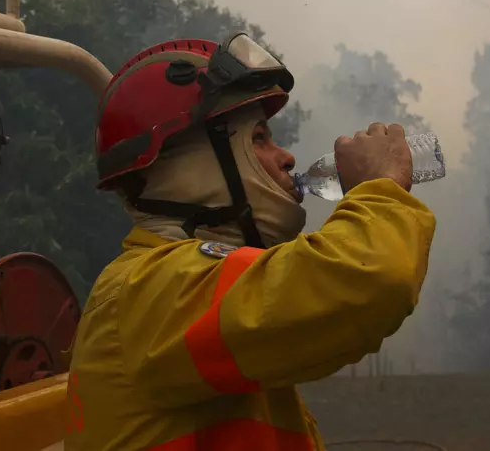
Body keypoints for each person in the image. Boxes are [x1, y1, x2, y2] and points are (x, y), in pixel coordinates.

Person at [64, 33, 437, 451]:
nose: (287, 157)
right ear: (194, 164)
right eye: (258, 137)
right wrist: (380, 187)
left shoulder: (172, 284)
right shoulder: (148, 289)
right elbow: (371, 280)